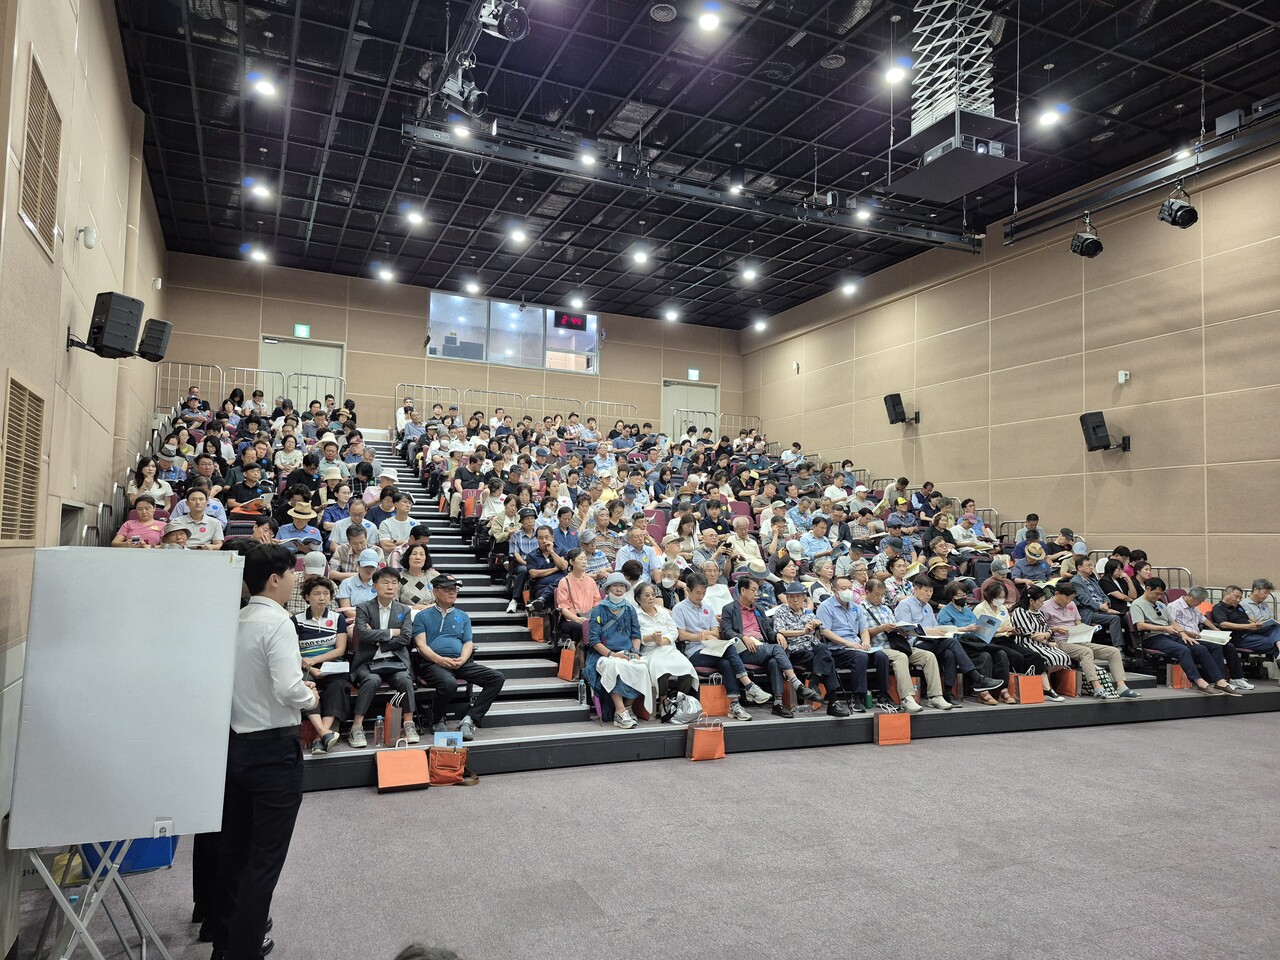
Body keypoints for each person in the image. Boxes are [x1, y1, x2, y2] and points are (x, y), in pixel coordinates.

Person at [211, 543, 317, 960]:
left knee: (234, 851)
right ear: (275, 579)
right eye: (292, 573)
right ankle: (244, 949)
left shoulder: (237, 619)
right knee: (265, 861)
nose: (297, 579)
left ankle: (225, 941)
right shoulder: (277, 622)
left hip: (235, 745)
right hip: (273, 752)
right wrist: (310, 696)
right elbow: (288, 687)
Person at [413, 574, 506, 741]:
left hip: (459, 662)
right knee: (449, 684)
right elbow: (421, 645)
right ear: (435, 591)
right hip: (432, 663)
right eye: (448, 589)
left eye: (455, 589)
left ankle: (469, 720)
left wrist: (463, 659)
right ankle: (437, 719)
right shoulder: (422, 616)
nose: (452, 592)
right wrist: (439, 659)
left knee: (496, 678)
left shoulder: (463, 616)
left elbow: (468, 643)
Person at [720, 573, 822, 718]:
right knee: (776, 649)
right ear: (743, 591)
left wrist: (777, 634)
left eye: (758, 590)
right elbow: (727, 632)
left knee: (775, 661)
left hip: (762, 648)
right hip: (743, 649)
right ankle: (796, 683)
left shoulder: (759, 609)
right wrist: (744, 637)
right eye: (754, 590)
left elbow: (768, 631)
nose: (758, 593)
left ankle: (778, 704)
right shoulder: (729, 609)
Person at [672, 573, 769, 722]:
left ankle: (735, 704)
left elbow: (716, 632)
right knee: (730, 650)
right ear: (688, 590)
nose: (701, 596)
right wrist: (701, 636)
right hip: (693, 651)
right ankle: (749, 686)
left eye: (704, 592)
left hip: (712, 648)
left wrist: (708, 635)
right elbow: (682, 635)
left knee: (726, 661)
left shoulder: (708, 608)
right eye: (698, 592)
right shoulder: (679, 608)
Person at [894, 576, 1004, 706]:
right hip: (914, 644)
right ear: (916, 589)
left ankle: (947, 692)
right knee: (952, 643)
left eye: (931, 591)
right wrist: (929, 631)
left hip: (931, 641)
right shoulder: (905, 605)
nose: (929, 594)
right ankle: (977, 678)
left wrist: (943, 630)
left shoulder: (928, 607)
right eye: (926, 591)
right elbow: (905, 629)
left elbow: (936, 627)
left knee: (950, 653)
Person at [350, 566, 421, 746]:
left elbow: (405, 638)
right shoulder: (363, 608)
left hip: (395, 660)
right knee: (372, 680)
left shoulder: (404, 610)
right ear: (374, 586)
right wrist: (391, 632)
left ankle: (409, 723)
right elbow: (363, 635)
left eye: (394, 583)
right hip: (369, 661)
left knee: (404, 679)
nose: (390, 586)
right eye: (385, 582)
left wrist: (378, 638)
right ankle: (356, 727)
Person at [1129, 578, 1234, 696]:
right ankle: (1200, 683)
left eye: (1161, 594)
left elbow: (1172, 621)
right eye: (1156, 593)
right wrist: (1164, 628)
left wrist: (1183, 634)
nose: (1158, 597)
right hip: (1153, 637)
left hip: (1170, 634)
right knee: (1183, 650)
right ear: (1148, 589)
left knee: (1199, 647)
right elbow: (1140, 625)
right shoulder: (1137, 604)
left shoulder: (1160, 604)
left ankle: (1219, 681)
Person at [1040, 582, 1142, 700]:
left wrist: (1084, 630)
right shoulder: (1045, 607)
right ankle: (1097, 688)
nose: (1068, 601)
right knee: (1086, 652)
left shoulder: (1072, 604)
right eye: (1066, 598)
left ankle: (1121, 686)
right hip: (1059, 642)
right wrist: (1056, 629)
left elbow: (1077, 622)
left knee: (1113, 652)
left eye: (1071, 598)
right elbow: (1041, 628)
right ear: (1057, 593)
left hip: (1076, 639)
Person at [770, 582, 852, 716]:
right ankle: (832, 701)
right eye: (791, 597)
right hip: (795, 651)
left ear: (804, 598)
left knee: (823, 648)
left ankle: (815, 684)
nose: (794, 600)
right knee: (827, 660)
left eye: (798, 597)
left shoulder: (808, 613)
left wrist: (817, 623)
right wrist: (803, 631)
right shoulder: (781, 611)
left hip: (812, 650)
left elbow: (817, 626)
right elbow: (780, 631)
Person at [292, 575, 349, 755]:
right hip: (304, 668)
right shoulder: (296, 620)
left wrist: (316, 662)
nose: (322, 597)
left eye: (326, 593)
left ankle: (320, 736)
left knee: (339, 684)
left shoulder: (337, 618)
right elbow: (292, 652)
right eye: (317, 594)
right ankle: (325, 733)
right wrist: (310, 668)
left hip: (330, 667)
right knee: (307, 687)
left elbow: (340, 649)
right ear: (307, 597)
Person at [583, 573, 648, 729]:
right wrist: (611, 654)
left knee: (642, 667)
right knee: (614, 666)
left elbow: (635, 634)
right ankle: (619, 712)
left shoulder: (630, 609)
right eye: (615, 586)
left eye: (621, 586)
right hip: (602, 654)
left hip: (626, 652)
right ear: (608, 589)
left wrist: (635, 651)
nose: (619, 589)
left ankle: (628, 706)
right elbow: (594, 640)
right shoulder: (599, 609)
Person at [1170, 587, 1252, 692]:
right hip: (1184, 636)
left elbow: (1203, 619)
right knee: (1215, 647)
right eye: (1198, 601)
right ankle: (1219, 679)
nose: (1199, 604)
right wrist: (1186, 633)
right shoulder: (1174, 606)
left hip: (1198, 635)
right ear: (1190, 596)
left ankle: (1237, 678)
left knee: (1229, 646)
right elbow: (1171, 624)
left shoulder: (1193, 607)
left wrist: (1216, 630)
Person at [633, 581, 700, 711]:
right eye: (646, 595)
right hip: (650, 651)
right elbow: (636, 635)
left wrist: (664, 640)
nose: (651, 598)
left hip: (669, 648)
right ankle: (663, 701)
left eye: (653, 594)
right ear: (638, 599)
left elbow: (674, 631)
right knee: (661, 670)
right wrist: (650, 638)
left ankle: (681, 700)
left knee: (687, 668)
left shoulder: (662, 612)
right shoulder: (635, 614)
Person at [1211, 579, 1280, 664]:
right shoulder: (1219, 607)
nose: (1238, 600)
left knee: (1277, 630)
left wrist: (1252, 624)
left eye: (1240, 598)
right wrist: (1248, 626)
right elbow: (1223, 624)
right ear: (1226, 594)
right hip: (1240, 637)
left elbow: (1246, 619)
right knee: (1273, 644)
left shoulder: (1238, 607)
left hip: (1251, 632)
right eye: (1236, 597)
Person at [1070, 557, 1125, 647]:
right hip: (1089, 611)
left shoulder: (1092, 580)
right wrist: (1101, 607)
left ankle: (1131, 647)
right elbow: (1085, 600)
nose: (1091, 568)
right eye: (1088, 566)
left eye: (1091, 565)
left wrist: (1106, 604)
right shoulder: (1075, 582)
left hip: (1102, 609)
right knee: (1114, 618)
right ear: (1080, 567)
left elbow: (1103, 594)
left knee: (1126, 617)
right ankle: (1119, 648)